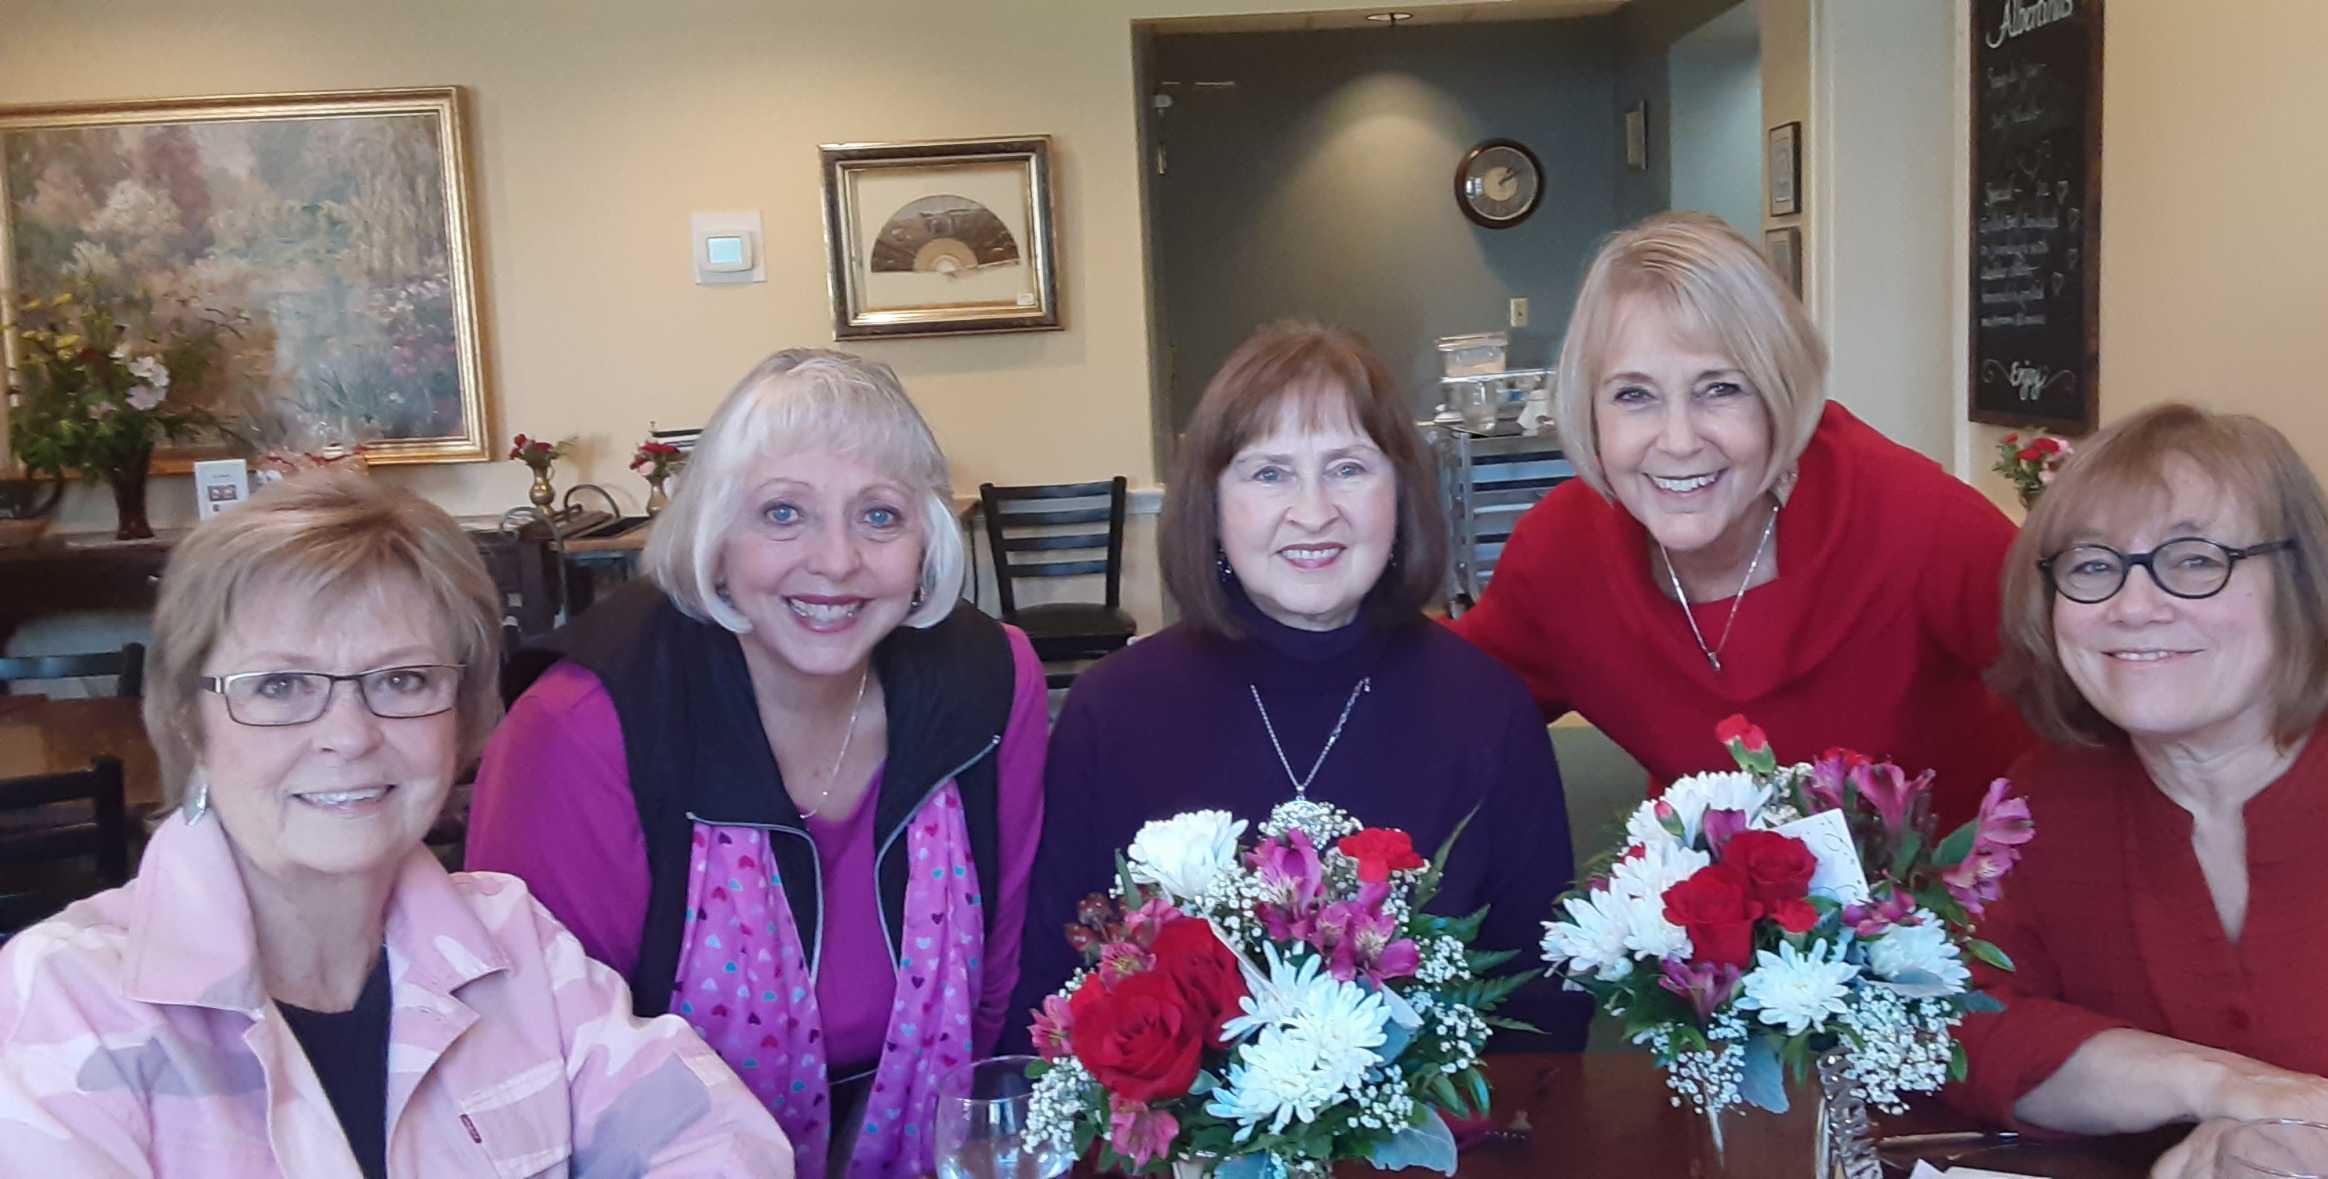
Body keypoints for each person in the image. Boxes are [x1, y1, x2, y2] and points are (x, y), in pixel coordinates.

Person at [0, 472, 790, 1176]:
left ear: (467, 714)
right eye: (279, 685)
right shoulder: (60, 1003)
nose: (348, 734)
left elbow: (721, 1143)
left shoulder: (518, 947)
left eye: (403, 679)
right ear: (186, 723)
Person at [467, 350, 1049, 1179]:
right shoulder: (581, 726)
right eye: (783, 513)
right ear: (716, 537)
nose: (837, 559)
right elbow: (530, 1065)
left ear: (928, 540)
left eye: (881, 516)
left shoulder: (993, 682)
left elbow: (996, 980)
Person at [1945, 403, 2328, 1178]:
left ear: (2301, 580)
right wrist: (2223, 1084)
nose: (2134, 606)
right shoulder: (2047, 794)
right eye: (2094, 565)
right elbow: (1960, 1027)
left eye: (2196, 559)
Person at [1002, 322, 1584, 1054]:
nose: (1312, 511)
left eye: (1347, 467)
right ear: (1212, 505)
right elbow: (1055, 991)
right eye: (1269, 472)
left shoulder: (1488, 709)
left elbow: (1544, 1003)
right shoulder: (1110, 712)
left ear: (1400, 495)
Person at [1450, 212, 2028, 818]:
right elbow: (1440, 701)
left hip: (1967, 895)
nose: (1678, 441)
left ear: (1782, 393)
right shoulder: (1560, 553)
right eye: (1634, 395)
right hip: (1723, 897)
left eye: (1721, 388)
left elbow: (2087, 702)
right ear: (1589, 411)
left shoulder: (1919, 523)